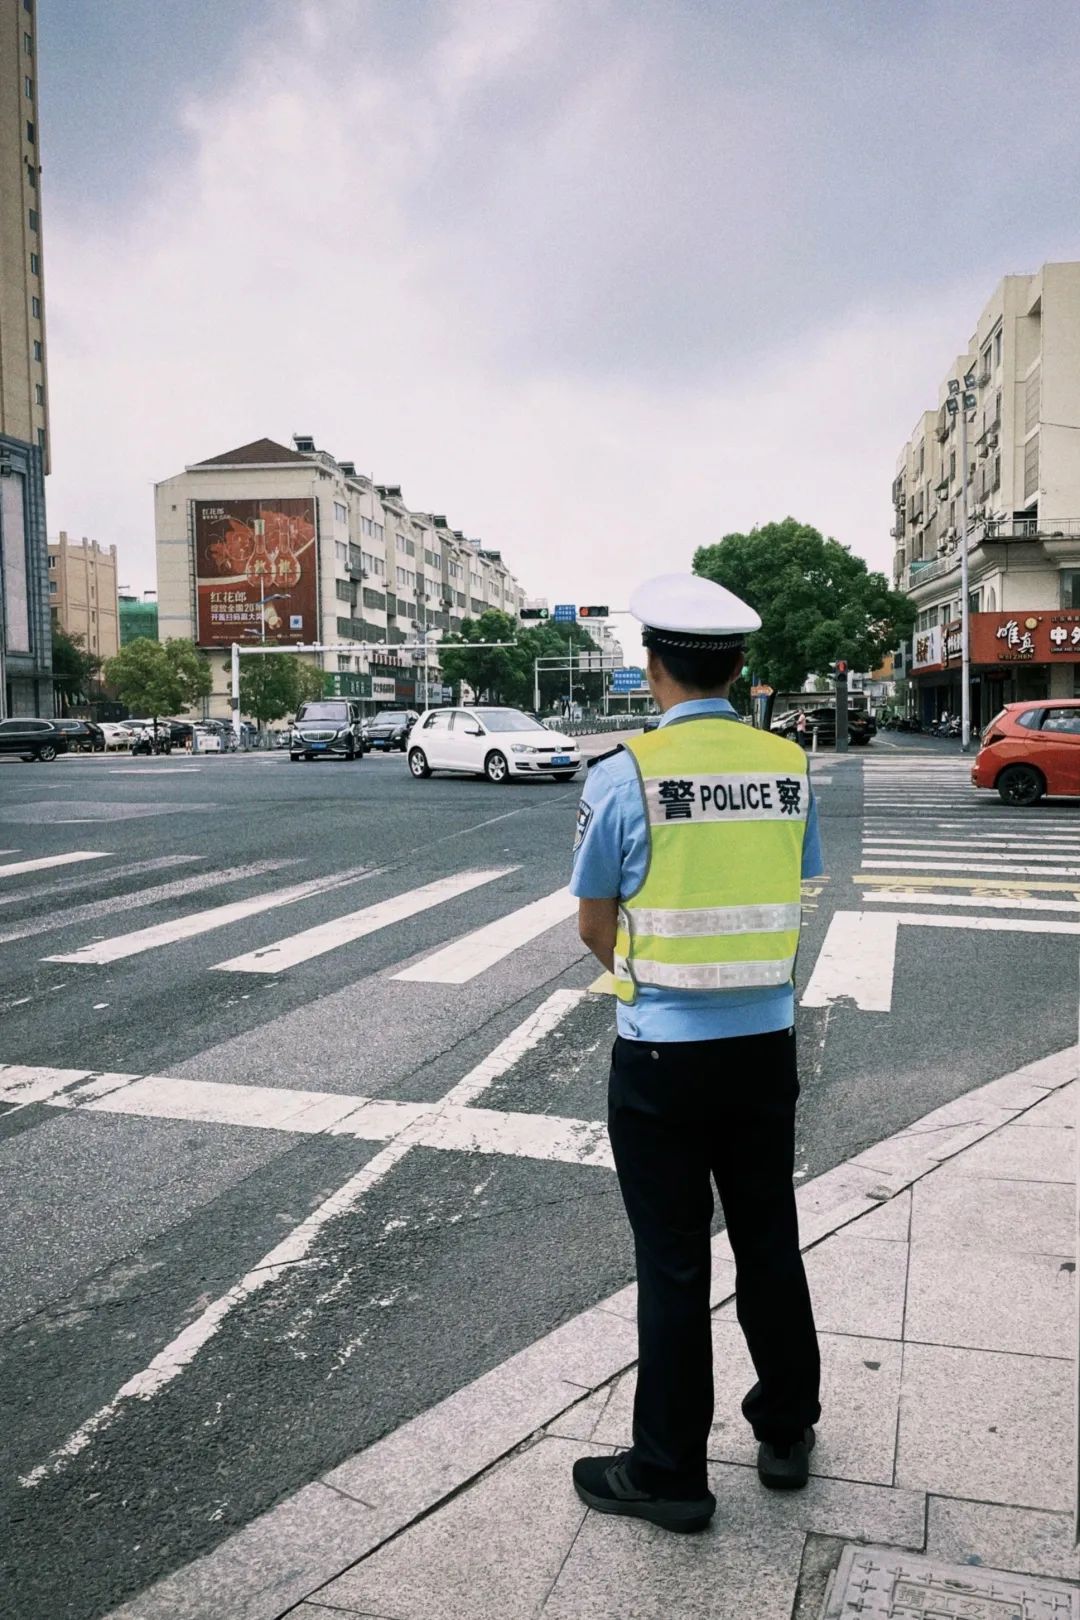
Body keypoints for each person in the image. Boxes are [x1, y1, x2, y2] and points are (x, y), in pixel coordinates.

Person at [569, 572, 823, 1535]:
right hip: (764, 1047)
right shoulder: (788, 766)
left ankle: (670, 1472)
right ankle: (786, 1429)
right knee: (769, 1240)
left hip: (661, 1060)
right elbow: (790, 884)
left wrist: (655, 984)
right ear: (739, 667)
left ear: (652, 669)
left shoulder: (624, 774)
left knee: (673, 1261)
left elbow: (594, 924)